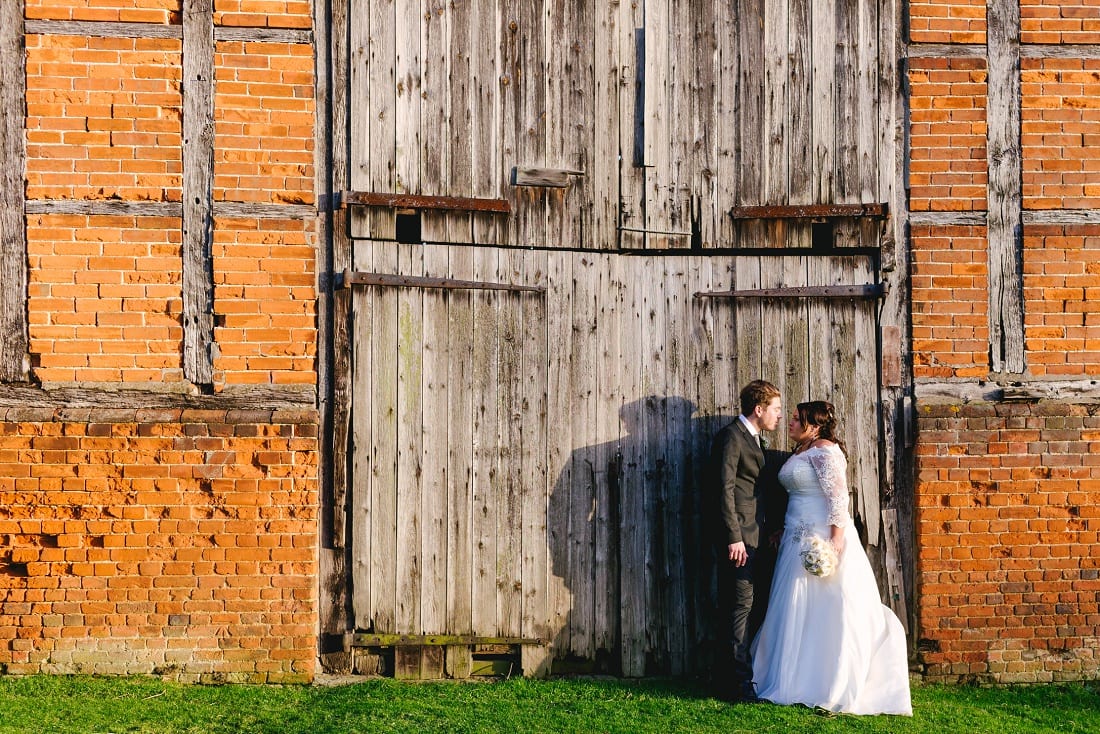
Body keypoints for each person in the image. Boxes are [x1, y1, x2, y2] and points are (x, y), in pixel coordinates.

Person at [750, 401, 912, 716]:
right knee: (792, 607)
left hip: (821, 538)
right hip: (795, 537)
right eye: (793, 418)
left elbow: (837, 497)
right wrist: (783, 530)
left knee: (827, 608)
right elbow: (800, 495)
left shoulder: (825, 450)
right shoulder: (799, 453)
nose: (791, 423)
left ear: (815, 424)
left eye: (798, 419)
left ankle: (826, 682)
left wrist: (835, 541)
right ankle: (788, 676)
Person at [709, 379, 783, 702]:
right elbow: (722, 490)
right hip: (739, 541)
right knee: (739, 606)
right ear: (759, 409)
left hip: (755, 538)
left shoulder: (754, 440)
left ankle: (729, 680)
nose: (779, 416)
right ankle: (737, 686)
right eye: (776, 409)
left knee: (744, 607)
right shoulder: (731, 437)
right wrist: (733, 537)